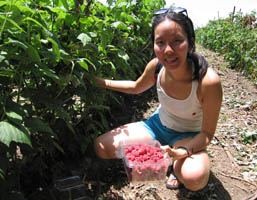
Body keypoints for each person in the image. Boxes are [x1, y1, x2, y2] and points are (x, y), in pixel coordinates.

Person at [94, 7, 223, 191]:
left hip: (189, 137)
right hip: (157, 126)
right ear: (154, 45)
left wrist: (181, 152)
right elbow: (135, 87)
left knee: (195, 179)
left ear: (190, 42)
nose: (168, 50)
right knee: (102, 147)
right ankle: (165, 156)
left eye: (177, 41)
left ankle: (175, 165)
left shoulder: (207, 82)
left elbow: (207, 134)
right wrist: (100, 82)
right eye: (160, 42)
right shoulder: (156, 67)